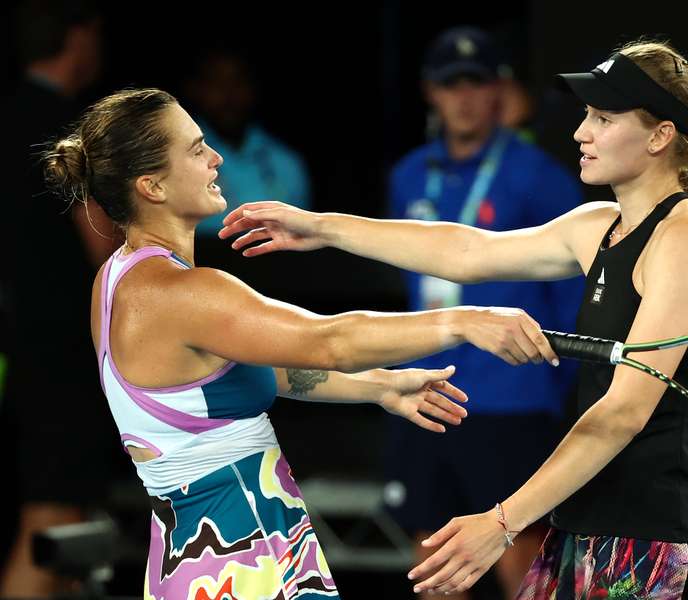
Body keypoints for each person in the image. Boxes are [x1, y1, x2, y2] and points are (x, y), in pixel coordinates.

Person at [219, 39, 688, 598]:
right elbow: (464, 251)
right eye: (587, 115)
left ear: (661, 135)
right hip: (588, 524)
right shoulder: (598, 225)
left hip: (666, 539)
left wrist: (501, 522)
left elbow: (622, 413)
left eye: (604, 118)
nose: (580, 133)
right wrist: (323, 229)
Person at [40, 87, 560, 599]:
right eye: (197, 149)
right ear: (152, 186)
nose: (216, 158)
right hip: (244, 568)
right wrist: (463, 321)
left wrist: (375, 386)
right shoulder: (182, 293)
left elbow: (257, 370)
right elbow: (328, 340)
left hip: (201, 568)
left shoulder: (116, 280)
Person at [381, 25, 583, 599]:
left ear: (501, 92)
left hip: (513, 401)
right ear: (430, 93)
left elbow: (573, 299)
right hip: (425, 389)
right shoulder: (409, 176)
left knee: (518, 548)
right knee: (433, 551)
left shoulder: (542, 178)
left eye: (476, 84)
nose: (464, 99)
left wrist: (561, 391)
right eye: (451, 85)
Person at [1, 1, 120, 595]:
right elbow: (103, 244)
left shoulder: (9, 114)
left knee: (67, 526)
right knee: (52, 521)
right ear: (80, 34)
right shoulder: (58, 125)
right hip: (58, 349)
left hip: (24, 342)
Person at [184, 48, 313, 239]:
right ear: (195, 88)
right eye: (216, 83)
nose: (228, 94)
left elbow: (302, 237)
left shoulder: (286, 162)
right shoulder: (178, 158)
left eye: (237, 82)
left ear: (253, 88)